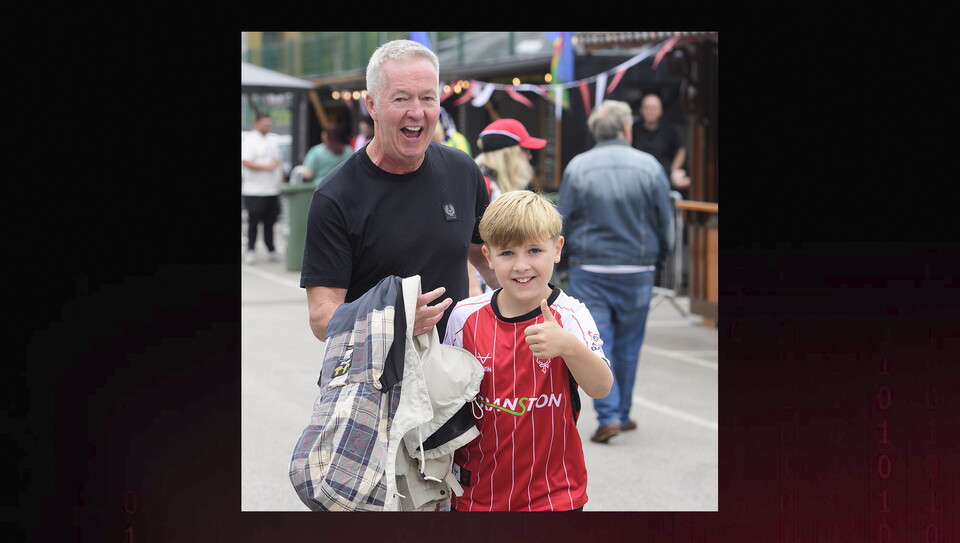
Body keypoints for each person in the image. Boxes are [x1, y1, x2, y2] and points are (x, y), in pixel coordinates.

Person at [300, 39, 499, 342]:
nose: (416, 112)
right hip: (377, 379)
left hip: (457, 373)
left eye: (427, 98)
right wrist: (394, 321)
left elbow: (488, 259)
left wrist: (538, 298)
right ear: (372, 105)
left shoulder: (462, 171)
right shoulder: (336, 195)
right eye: (401, 99)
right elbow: (321, 318)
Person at [443, 189, 613, 512]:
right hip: (476, 497)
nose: (522, 266)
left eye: (534, 250)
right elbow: (445, 401)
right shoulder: (465, 317)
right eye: (507, 253)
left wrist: (568, 346)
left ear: (557, 249)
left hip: (555, 497)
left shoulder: (571, 315)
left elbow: (602, 387)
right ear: (488, 256)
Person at [557, 100, 675, 444]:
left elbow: (564, 217)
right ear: (626, 129)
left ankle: (608, 414)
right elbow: (664, 219)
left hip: (589, 266)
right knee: (630, 343)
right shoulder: (649, 166)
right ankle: (621, 413)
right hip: (637, 266)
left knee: (598, 339)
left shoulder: (578, 166)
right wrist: (662, 255)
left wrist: (561, 260)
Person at [241, 113, 284, 264]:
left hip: (272, 189)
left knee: (270, 223)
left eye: (270, 124)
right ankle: (251, 249)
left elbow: (277, 162)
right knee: (254, 222)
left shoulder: (272, 140)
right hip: (254, 190)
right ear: (257, 124)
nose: (268, 126)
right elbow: (245, 162)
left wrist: (280, 178)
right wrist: (266, 167)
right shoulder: (250, 141)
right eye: (266, 124)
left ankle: (271, 249)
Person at [632, 93, 691, 198]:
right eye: (647, 108)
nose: (650, 112)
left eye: (654, 108)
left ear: (660, 111)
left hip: (664, 178)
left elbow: (681, 151)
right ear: (641, 110)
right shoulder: (634, 130)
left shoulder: (669, 129)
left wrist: (674, 170)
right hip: (638, 179)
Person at [474, 118, 545, 199]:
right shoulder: (484, 187)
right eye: (525, 150)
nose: (530, 156)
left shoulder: (492, 186)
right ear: (506, 155)